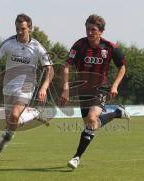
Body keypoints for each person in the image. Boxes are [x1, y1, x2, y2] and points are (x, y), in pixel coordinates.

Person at [60, 14, 130, 169]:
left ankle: (76, 157)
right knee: (92, 125)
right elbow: (66, 66)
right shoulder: (79, 45)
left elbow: (122, 67)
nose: (90, 32)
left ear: (101, 31)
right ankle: (116, 113)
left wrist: (115, 86)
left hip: (101, 88)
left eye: (93, 29)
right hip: (82, 90)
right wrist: (65, 88)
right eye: (87, 29)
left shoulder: (111, 47)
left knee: (92, 118)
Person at [0, 13, 54, 161]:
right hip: (8, 86)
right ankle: (33, 114)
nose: (20, 32)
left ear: (30, 28)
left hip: (27, 85)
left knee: (15, 115)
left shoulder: (37, 47)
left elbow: (50, 69)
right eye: (17, 29)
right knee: (11, 123)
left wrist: (44, 88)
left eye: (23, 29)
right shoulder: (8, 43)